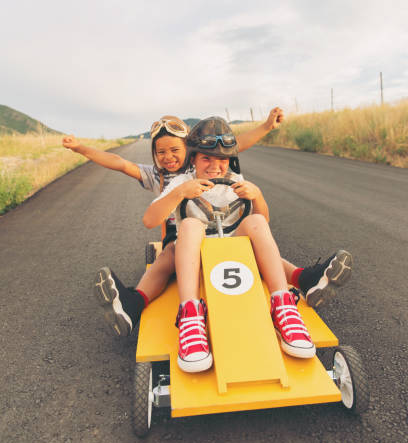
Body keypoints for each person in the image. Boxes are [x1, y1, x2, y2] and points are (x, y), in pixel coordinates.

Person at [62, 111, 352, 337]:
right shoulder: (161, 177)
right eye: (161, 152)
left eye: (175, 150)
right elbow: (118, 163)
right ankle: (133, 304)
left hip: (222, 230)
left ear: (188, 150)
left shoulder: (204, 161)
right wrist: (81, 149)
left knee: (260, 247)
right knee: (166, 258)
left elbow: (235, 148)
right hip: (183, 235)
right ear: (154, 155)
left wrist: (266, 126)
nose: (168, 157)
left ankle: (305, 279)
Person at [142, 117, 352, 372]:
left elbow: (264, 219)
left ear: (230, 160)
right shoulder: (180, 183)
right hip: (195, 257)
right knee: (189, 225)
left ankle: (282, 304)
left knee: (255, 221)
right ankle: (190, 315)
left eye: (222, 159)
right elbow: (149, 220)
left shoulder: (235, 179)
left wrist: (258, 195)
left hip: (234, 252)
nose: (215, 166)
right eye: (206, 158)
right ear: (193, 159)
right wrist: (180, 193)